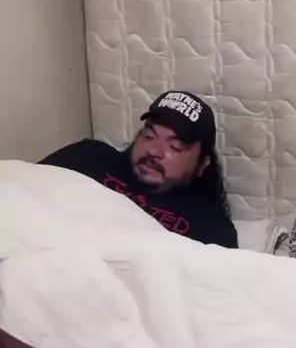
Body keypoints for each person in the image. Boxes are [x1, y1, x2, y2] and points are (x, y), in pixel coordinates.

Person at [39, 90, 238, 249]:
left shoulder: (210, 225)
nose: (154, 151)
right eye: (149, 136)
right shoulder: (88, 156)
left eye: (175, 147)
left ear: (201, 165)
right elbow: (27, 188)